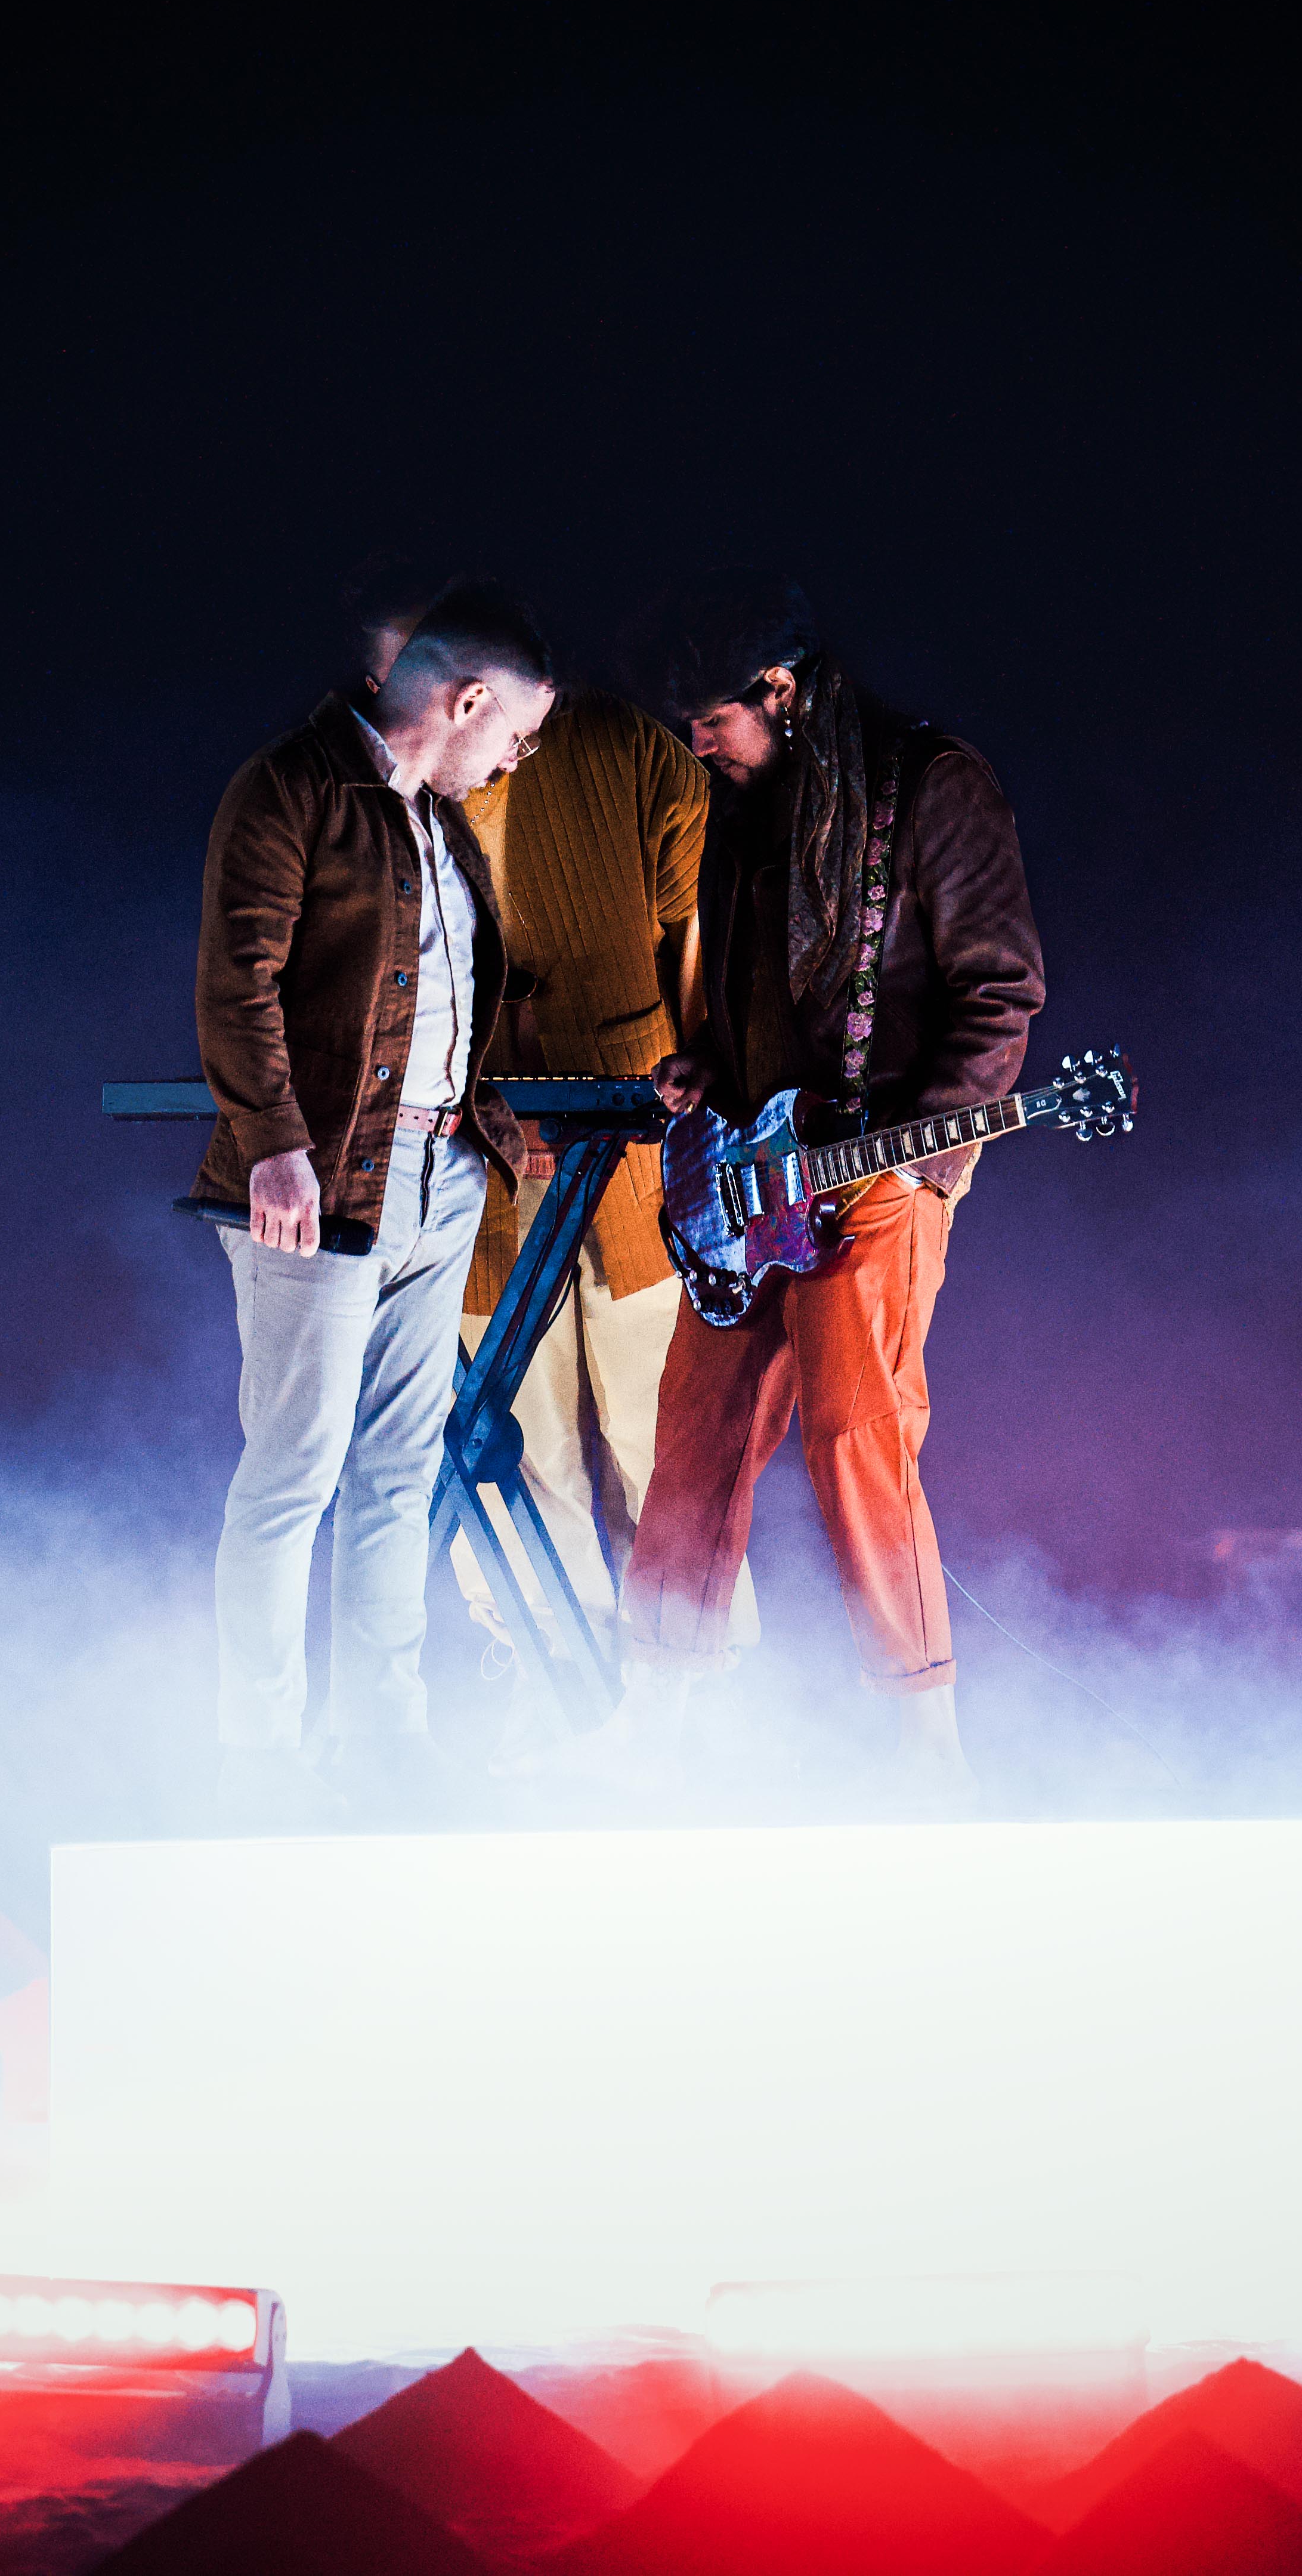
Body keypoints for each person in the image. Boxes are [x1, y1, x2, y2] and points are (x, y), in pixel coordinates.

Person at [613, 572, 1044, 1794]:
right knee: (693, 1437)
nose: (699, 742)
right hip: (748, 1186)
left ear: (784, 688)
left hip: (880, 1171)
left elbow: (1001, 991)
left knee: (858, 1433)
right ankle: (658, 1720)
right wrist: (706, 1062)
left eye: (714, 717)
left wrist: (924, 1160)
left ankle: (924, 1743)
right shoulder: (741, 805)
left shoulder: (931, 783)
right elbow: (747, 988)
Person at [191, 579, 556, 1817]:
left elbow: (448, 1006)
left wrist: (493, 1128)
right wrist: (275, 1145)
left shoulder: (443, 827)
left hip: (438, 1177)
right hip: (322, 1187)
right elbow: (237, 983)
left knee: (402, 1468)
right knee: (295, 1469)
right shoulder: (289, 787)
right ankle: (259, 1758)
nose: (517, 758)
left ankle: (382, 1741)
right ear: (464, 702)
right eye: (513, 734)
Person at [376, 615, 758, 1699]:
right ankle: (551, 1685)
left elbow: (703, 938)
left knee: (662, 1431)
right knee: (513, 1443)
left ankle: (699, 1687)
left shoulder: (627, 751)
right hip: (477, 1170)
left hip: (640, 1162)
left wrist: (695, 1088)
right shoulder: (391, 783)